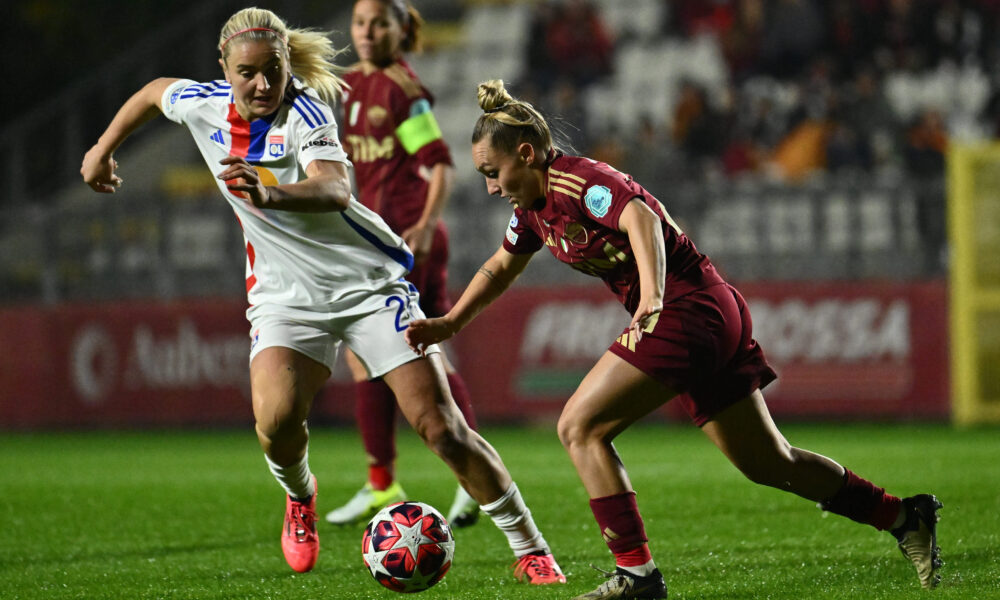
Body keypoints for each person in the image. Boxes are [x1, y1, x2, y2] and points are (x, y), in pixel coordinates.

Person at [405, 79, 943, 599]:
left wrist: (653, 297)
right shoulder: (532, 210)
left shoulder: (577, 182)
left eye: (492, 172)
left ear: (526, 153)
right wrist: (450, 322)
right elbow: (500, 267)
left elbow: (640, 217)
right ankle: (903, 516)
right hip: (708, 311)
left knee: (579, 427)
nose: (490, 187)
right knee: (768, 462)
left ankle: (637, 575)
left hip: (688, 309)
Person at [80, 10, 566, 585]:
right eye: (248, 73)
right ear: (224, 70)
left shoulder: (308, 109)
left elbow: (336, 188)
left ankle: (531, 548)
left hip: (366, 285)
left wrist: (271, 191)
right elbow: (152, 92)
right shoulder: (201, 102)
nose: (263, 85)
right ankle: (300, 496)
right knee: (277, 420)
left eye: (273, 71)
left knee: (442, 429)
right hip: (285, 298)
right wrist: (102, 148)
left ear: (288, 65)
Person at [324, 0, 479, 529]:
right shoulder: (350, 86)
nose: (367, 32)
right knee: (377, 358)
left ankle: (457, 481)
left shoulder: (400, 89)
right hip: (374, 242)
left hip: (407, 241)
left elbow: (439, 166)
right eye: (360, 23)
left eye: (379, 23)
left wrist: (425, 227)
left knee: (410, 354)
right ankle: (388, 482)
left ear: (399, 30)